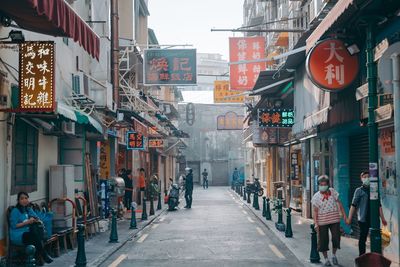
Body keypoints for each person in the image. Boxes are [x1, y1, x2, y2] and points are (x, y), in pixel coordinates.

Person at [346, 171, 387, 256]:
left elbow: (379, 205)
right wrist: (349, 218)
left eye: (368, 176)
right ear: (361, 179)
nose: (367, 178)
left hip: (374, 218)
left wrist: (382, 218)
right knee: (363, 238)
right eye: (364, 177)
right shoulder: (359, 190)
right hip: (363, 218)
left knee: (376, 237)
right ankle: (362, 256)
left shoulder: (374, 189)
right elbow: (353, 205)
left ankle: (376, 256)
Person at [9, 192, 53, 266]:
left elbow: (37, 218)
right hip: (17, 235)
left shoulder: (28, 209)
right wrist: (27, 222)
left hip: (27, 233)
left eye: (26, 198)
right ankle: (43, 255)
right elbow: (14, 226)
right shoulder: (15, 211)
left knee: (35, 235)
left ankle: (37, 258)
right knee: (34, 236)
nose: (24, 200)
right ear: (18, 200)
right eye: (22, 198)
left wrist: (33, 217)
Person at [311, 175, 346, 266]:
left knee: (336, 238)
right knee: (323, 241)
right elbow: (315, 211)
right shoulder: (316, 197)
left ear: (328, 184)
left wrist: (344, 215)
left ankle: (334, 255)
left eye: (325, 184)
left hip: (335, 220)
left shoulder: (333, 192)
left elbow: (340, 203)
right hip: (322, 221)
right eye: (321, 184)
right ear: (318, 185)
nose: (323, 186)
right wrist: (316, 223)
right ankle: (326, 259)